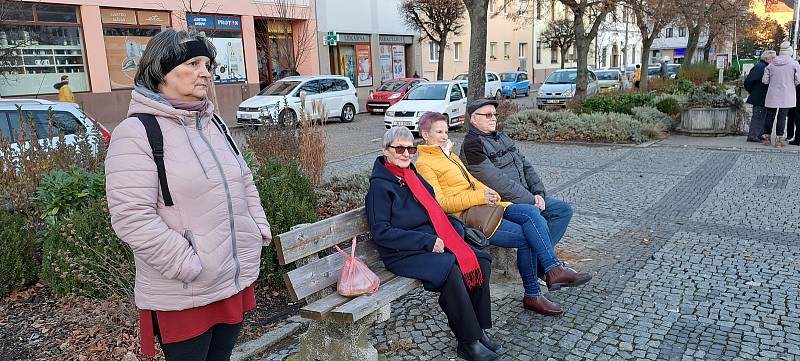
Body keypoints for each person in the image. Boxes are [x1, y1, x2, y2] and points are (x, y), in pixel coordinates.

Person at [106, 29, 272, 361]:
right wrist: (188, 264)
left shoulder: (214, 124)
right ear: (160, 71)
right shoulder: (137, 133)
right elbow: (131, 218)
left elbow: (244, 180)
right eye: (193, 63)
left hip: (229, 280)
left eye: (208, 64)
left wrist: (257, 229)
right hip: (184, 291)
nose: (205, 72)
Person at [414, 112, 592, 316]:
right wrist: (480, 197)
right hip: (471, 218)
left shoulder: (450, 155)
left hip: (487, 206)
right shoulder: (424, 164)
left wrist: (492, 193)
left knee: (531, 212)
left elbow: (472, 182)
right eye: (439, 132)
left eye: (446, 131)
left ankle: (552, 270)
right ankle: (535, 291)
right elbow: (441, 204)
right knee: (528, 237)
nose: (445, 136)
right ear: (425, 134)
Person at [366, 126, 500, 361]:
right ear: (386, 151)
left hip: (432, 242)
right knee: (450, 269)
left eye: (410, 149)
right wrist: (427, 241)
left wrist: (456, 231)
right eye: (399, 148)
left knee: (480, 259)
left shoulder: (412, 177)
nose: (406, 154)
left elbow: (436, 211)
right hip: (403, 252)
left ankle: (479, 331)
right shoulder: (380, 187)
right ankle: (467, 342)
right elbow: (382, 233)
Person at [461, 99, 587, 292]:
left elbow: (526, 165)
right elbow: (497, 182)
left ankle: (542, 264)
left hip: (527, 196)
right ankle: (549, 268)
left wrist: (538, 192)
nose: (493, 118)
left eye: (494, 114)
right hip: (501, 204)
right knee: (536, 221)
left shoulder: (501, 136)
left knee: (563, 210)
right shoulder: (472, 145)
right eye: (487, 115)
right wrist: (531, 200)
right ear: (473, 118)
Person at [762, 41, 800, 148]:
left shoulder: (771, 64)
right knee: (782, 117)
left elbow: (765, 81)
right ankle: (779, 140)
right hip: (787, 94)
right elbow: (798, 80)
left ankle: (767, 138)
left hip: (772, 93)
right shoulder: (794, 64)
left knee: (770, 115)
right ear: (790, 52)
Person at [744, 50, 776, 143]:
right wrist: (753, 91)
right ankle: (753, 135)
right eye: (772, 58)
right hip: (759, 96)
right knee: (758, 116)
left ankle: (757, 134)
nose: (774, 60)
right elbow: (748, 82)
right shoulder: (760, 67)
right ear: (766, 58)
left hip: (762, 96)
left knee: (762, 116)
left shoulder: (764, 67)